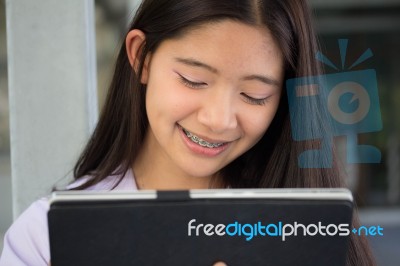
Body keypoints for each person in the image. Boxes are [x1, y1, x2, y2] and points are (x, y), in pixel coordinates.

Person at [0, 0, 375, 265]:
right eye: (194, 80)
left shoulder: (307, 229)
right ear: (141, 57)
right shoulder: (45, 239)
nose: (219, 119)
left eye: (253, 95)